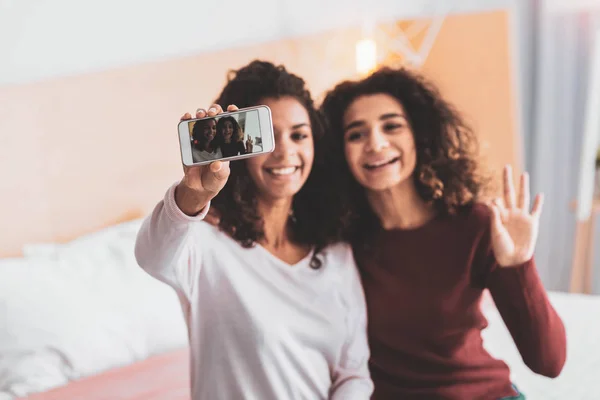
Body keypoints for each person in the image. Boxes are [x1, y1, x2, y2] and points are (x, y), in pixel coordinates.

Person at [319, 67, 567, 400]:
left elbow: (549, 363)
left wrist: (519, 265)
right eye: (356, 134)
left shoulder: (476, 225)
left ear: (418, 136)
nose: (376, 143)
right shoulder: (339, 244)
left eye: (392, 126)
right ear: (341, 151)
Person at [134, 60, 373, 400]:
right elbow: (151, 255)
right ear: (242, 146)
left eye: (299, 135)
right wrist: (194, 194)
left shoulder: (335, 252)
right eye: (269, 137)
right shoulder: (207, 242)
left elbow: (354, 372)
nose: (287, 151)